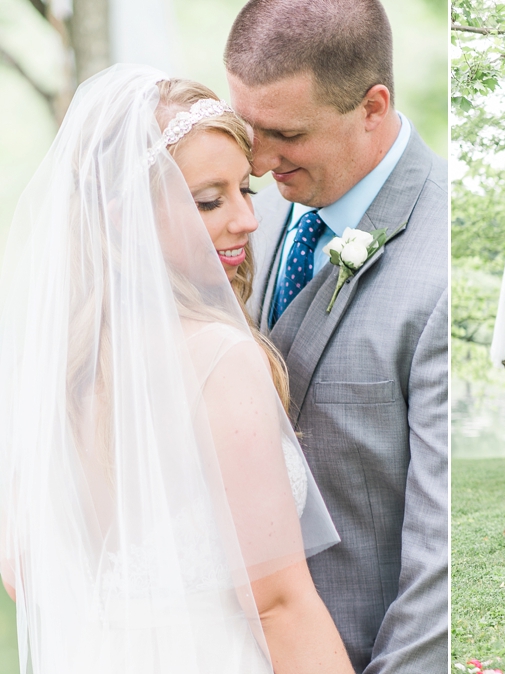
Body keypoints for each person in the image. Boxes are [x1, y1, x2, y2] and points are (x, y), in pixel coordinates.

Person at [0, 64, 353, 673]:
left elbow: (24, 576)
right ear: (119, 212)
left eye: (247, 190)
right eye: (209, 200)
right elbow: (278, 606)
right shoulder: (219, 359)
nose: (245, 220)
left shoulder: (52, 368)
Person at [224, 1, 449, 671]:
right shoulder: (240, 211)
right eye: (249, 127)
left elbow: (442, 564)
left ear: (372, 106)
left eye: (286, 134)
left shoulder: (442, 269)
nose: (259, 163)